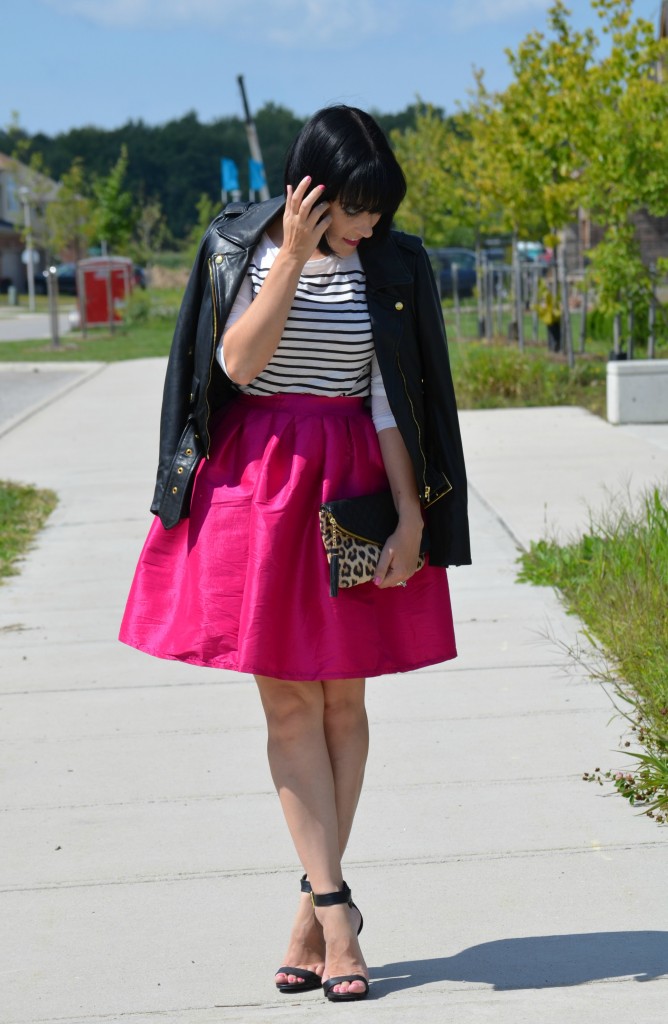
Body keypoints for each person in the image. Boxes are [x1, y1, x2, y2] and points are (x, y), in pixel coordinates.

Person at [120, 105, 471, 1002]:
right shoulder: (235, 249)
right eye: (353, 210)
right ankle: (339, 913)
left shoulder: (391, 265)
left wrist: (410, 516)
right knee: (287, 708)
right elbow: (237, 365)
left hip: (353, 486)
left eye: (377, 212)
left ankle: (310, 914)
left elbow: (393, 397)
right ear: (307, 191)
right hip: (258, 497)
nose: (367, 228)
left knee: (343, 703)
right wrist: (288, 257)